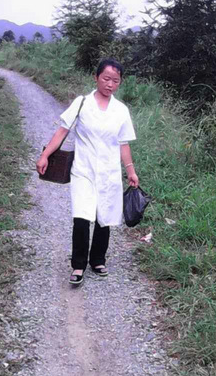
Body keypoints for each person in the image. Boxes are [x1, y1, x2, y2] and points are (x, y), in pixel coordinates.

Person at [36, 58, 139, 286]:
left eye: (115, 81)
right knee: (82, 216)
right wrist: (45, 155)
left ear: (120, 83)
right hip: (83, 169)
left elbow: (123, 143)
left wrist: (130, 171)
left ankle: (98, 260)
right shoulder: (82, 103)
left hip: (109, 172)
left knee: (105, 216)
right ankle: (78, 265)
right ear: (96, 77)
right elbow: (62, 131)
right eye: (106, 78)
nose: (110, 84)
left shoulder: (121, 110)